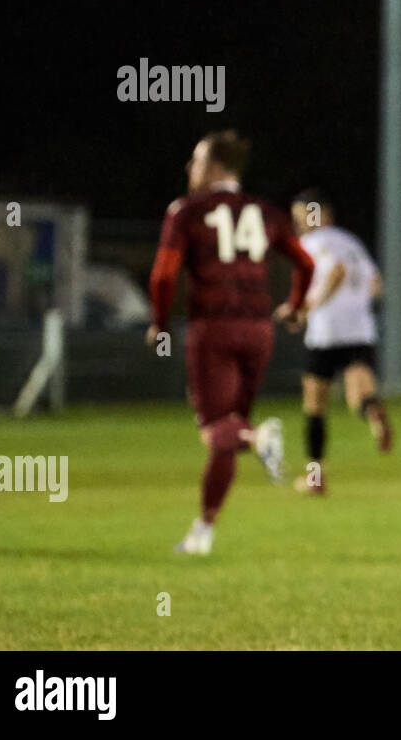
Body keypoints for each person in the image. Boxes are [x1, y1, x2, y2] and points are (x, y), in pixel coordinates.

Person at [147, 130, 315, 554]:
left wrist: (159, 323)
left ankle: (260, 439)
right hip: (259, 330)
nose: (190, 168)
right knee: (228, 430)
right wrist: (295, 305)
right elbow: (305, 261)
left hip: (214, 330)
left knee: (215, 430)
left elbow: (165, 273)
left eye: (197, 160)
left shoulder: (185, 211)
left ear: (217, 167)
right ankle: (203, 532)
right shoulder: (265, 211)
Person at [288, 188, 392, 495]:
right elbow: (375, 284)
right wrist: (355, 304)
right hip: (360, 329)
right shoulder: (351, 241)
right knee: (358, 397)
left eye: (301, 216)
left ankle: (315, 478)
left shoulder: (313, 242)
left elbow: (336, 270)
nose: (300, 224)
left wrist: (307, 307)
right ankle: (373, 411)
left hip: (327, 332)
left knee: (315, 406)